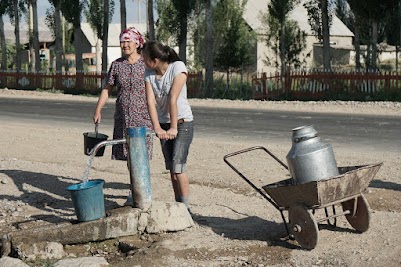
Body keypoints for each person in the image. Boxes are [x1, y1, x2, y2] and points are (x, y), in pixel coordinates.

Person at [93, 27, 153, 203]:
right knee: (128, 155)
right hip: (123, 116)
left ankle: (141, 190)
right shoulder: (117, 65)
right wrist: (98, 109)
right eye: (122, 41)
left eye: (128, 41)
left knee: (141, 153)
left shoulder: (146, 64)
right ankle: (134, 188)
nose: (124, 44)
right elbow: (107, 89)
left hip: (143, 116)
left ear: (137, 43)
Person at [142, 40, 194, 213]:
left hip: (182, 122)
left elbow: (173, 98)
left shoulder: (178, 67)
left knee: (178, 167)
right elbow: (150, 102)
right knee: (171, 170)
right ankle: (178, 205)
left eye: (145, 58)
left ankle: (186, 209)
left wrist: (173, 128)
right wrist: (157, 127)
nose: (143, 60)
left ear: (155, 60)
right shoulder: (149, 73)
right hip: (164, 124)